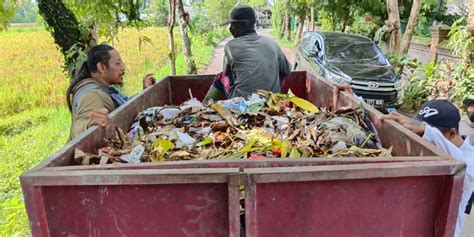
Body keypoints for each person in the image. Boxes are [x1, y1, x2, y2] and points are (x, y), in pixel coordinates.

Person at [383, 100, 474, 237]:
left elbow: (462, 167)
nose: (422, 140)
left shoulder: (470, 159)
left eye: (425, 137)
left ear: (452, 133)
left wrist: (427, 132)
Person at [203, 5, 291, 104]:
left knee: (221, 76)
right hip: (272, 101)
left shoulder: (231, 46)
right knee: (280, 70)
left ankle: (205, 106)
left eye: (232, 25)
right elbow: (287, 70)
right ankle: (273, 99)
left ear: (238, 26)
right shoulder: (272, 43)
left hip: (244, 103)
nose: (230, 28)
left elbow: (226, 72)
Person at [67, 44, 156, 140]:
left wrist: (145, 91)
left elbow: (125, 108)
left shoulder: (104, 89)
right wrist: (89, 124)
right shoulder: (92, 95)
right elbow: (77, 129)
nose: (122, 68)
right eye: (117, 64)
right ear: (101, 67)